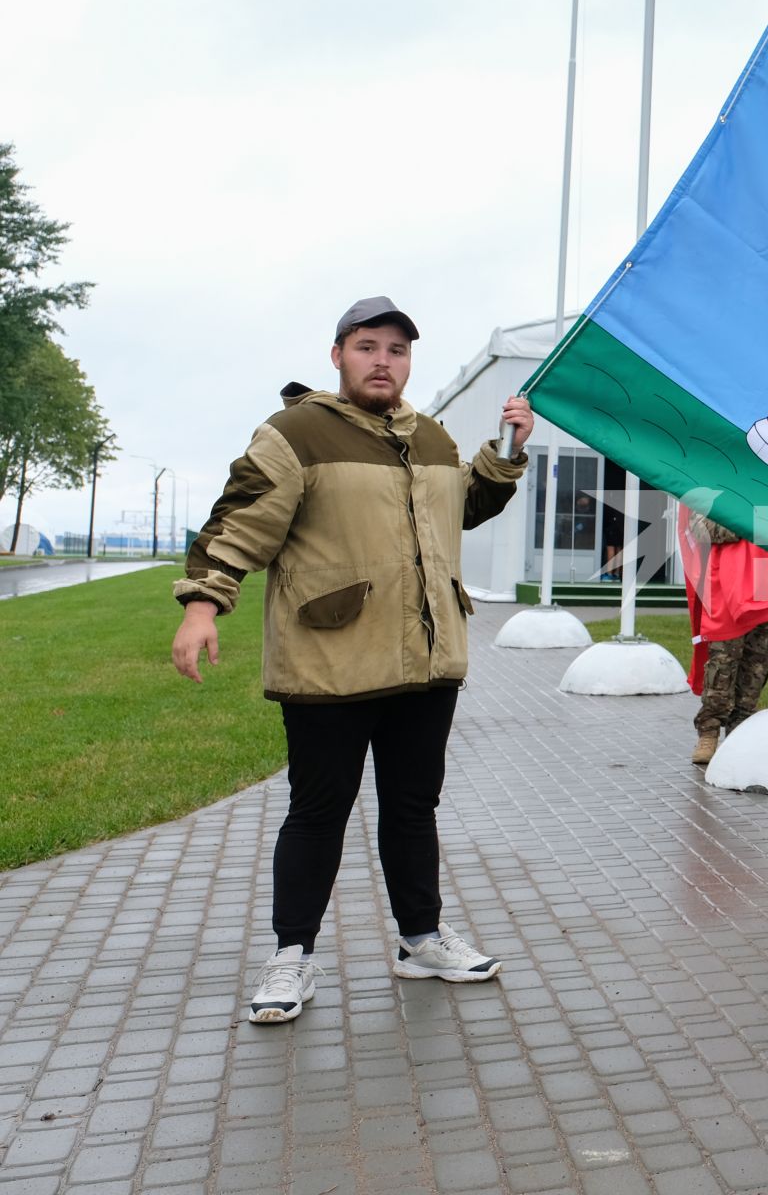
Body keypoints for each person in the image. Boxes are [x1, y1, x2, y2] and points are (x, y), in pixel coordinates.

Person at [172, 296, 532, 1024]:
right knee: (318, 811)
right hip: (329, 661)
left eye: (396, 350)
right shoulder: (296, 432)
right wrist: (204, 604)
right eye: (367, 346)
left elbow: (460, 508)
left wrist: (509, 452)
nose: (383, 361)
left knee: (411, 807)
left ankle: (421, 941)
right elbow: (239, 520)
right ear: (338, 354)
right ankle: (290, 957)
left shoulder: (427, 435)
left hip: (425, 664)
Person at [681, 511, 768, 765]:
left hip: (766, 577)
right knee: (722, 664)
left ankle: (740, 729)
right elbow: (701, 530)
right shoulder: (711, 488)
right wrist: (752, 523)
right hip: (725, 585)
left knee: (757, 663)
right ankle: (709, 731)